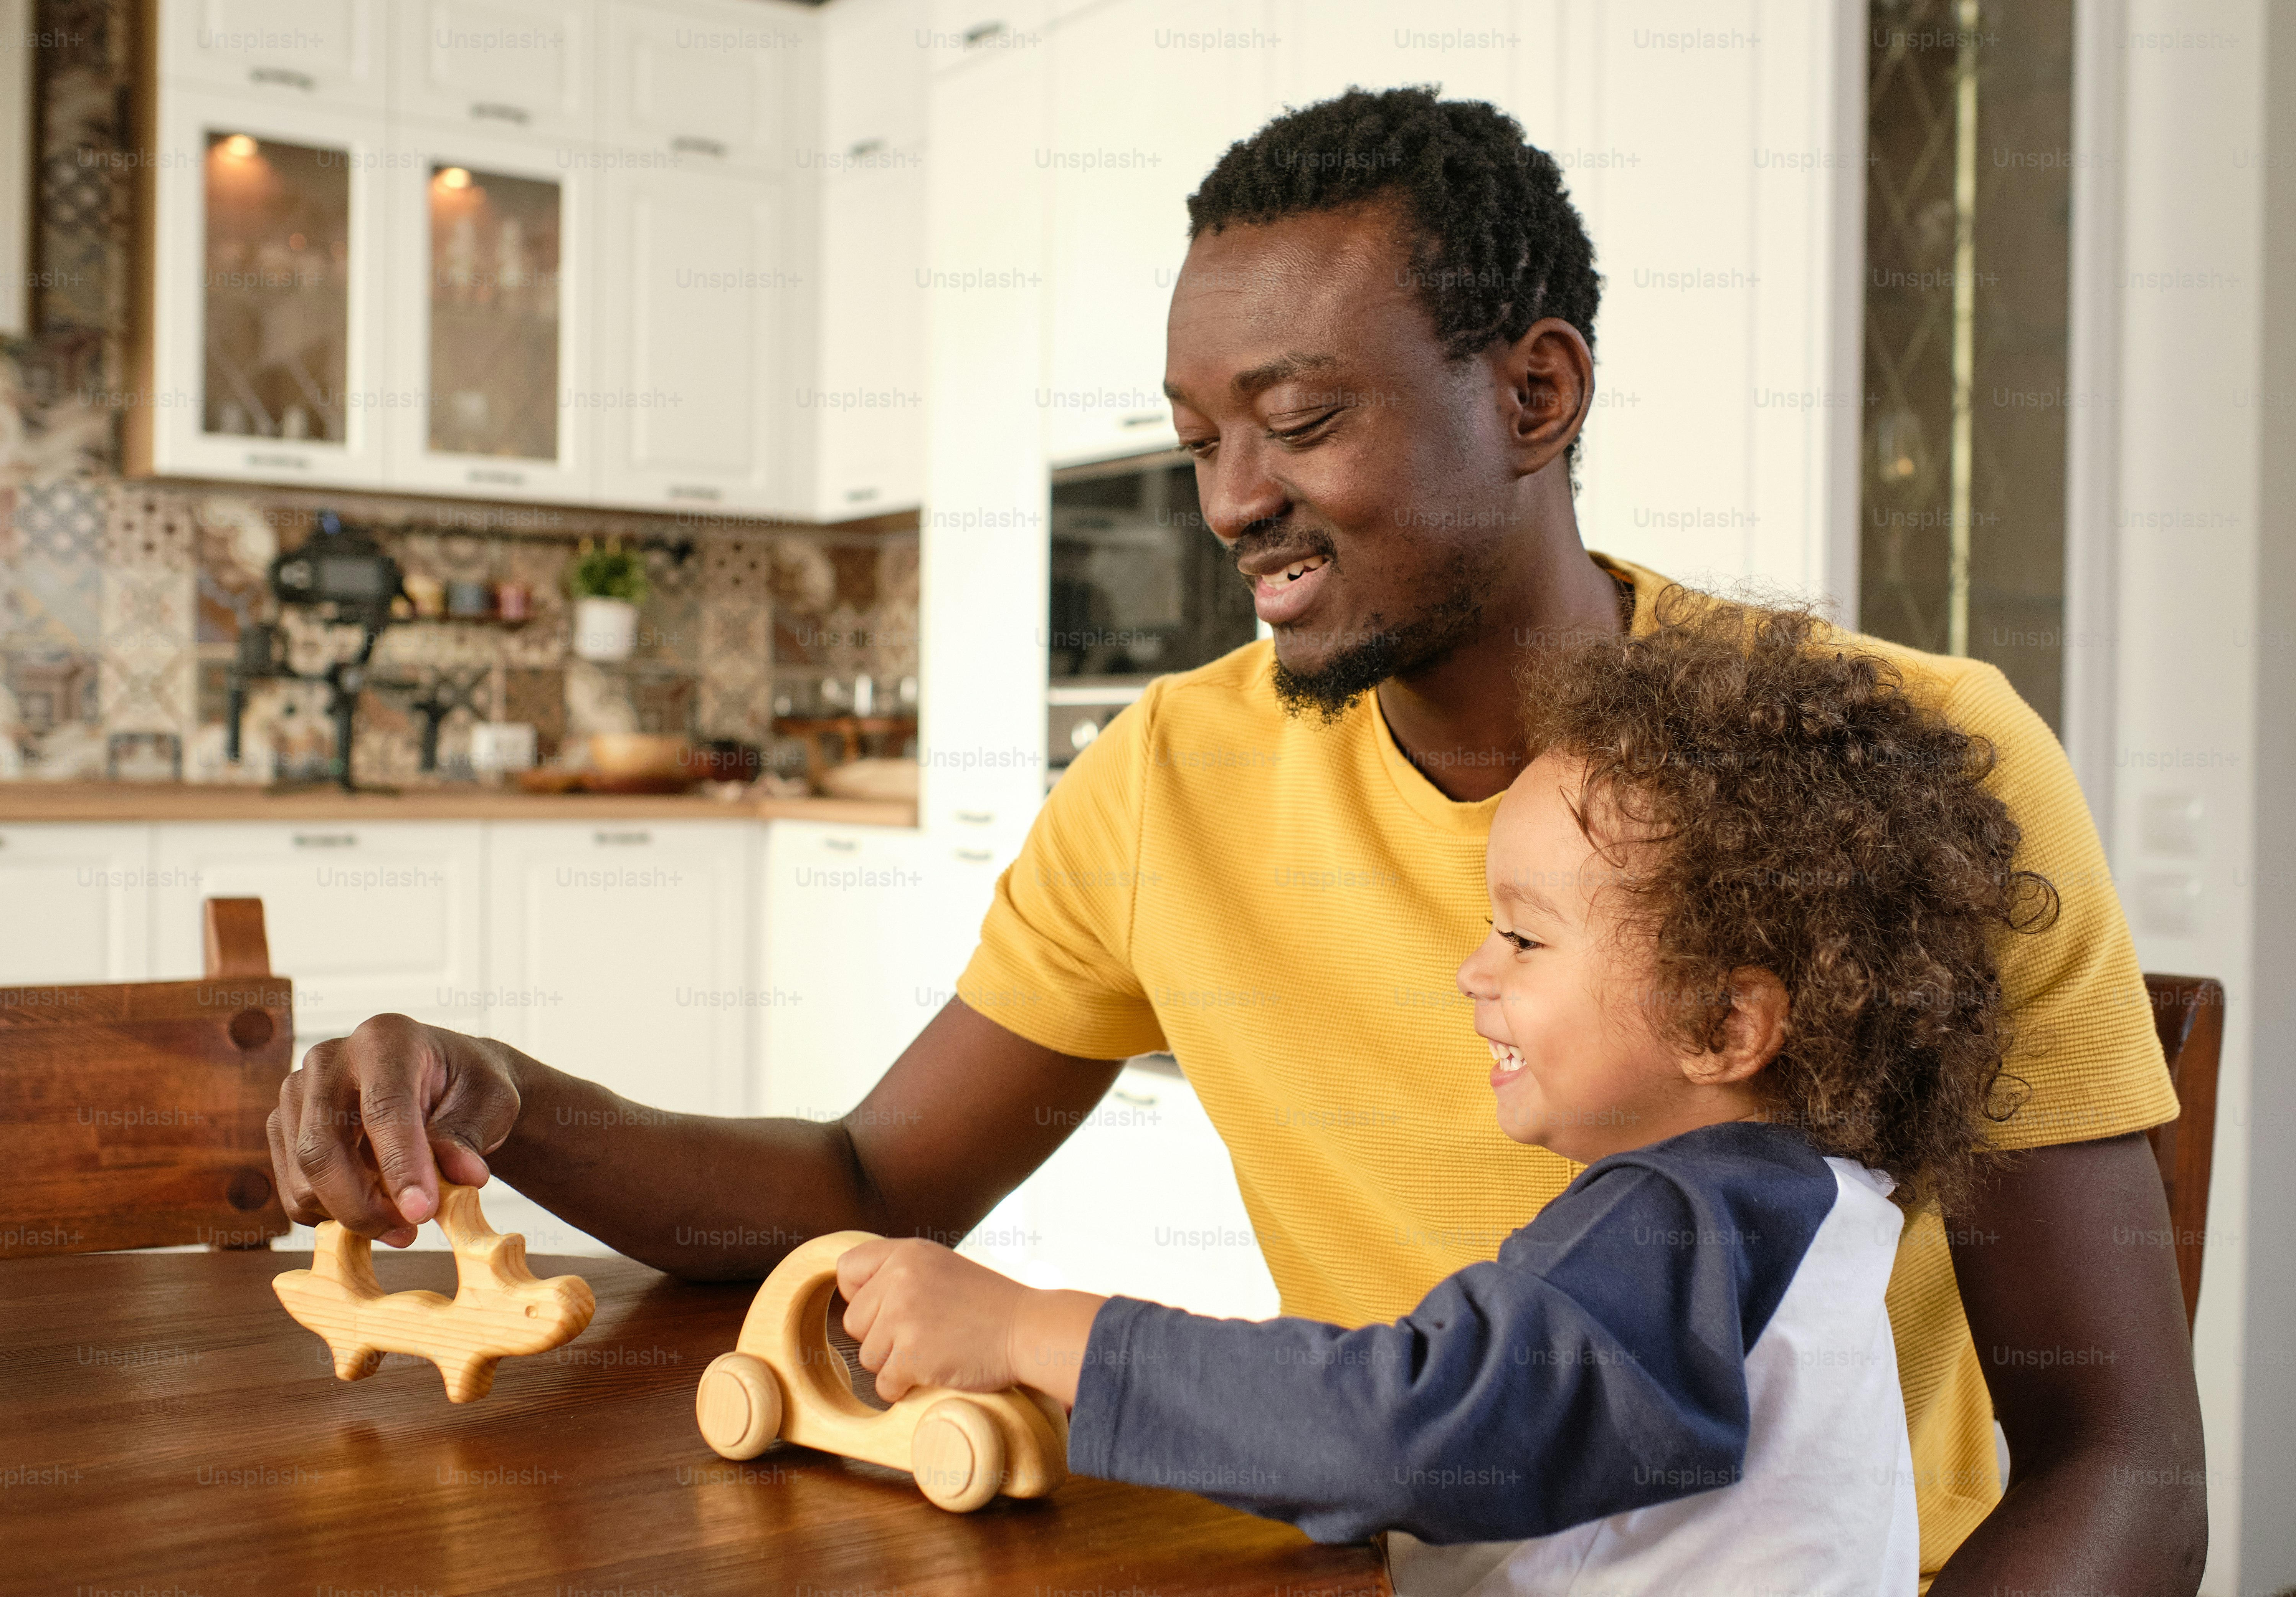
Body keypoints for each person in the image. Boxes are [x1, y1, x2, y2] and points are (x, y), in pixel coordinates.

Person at [265, 88, 2204, 1590]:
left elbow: (2122, 1464)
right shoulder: (1164, 783)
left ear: (1533, 392)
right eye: (1202, 436)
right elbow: (867, 1176)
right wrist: (506, 1097)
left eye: (1297, 417)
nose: (1233, 498)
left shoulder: (1905, 766)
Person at [834, 600, 2036, 1595]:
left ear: (1729, 1025)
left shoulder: (1686, 1226)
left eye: (1523, 936)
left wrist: (1029, 1331)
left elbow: (1406, 1431)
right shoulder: (1799, 1204)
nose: (1475, 970)